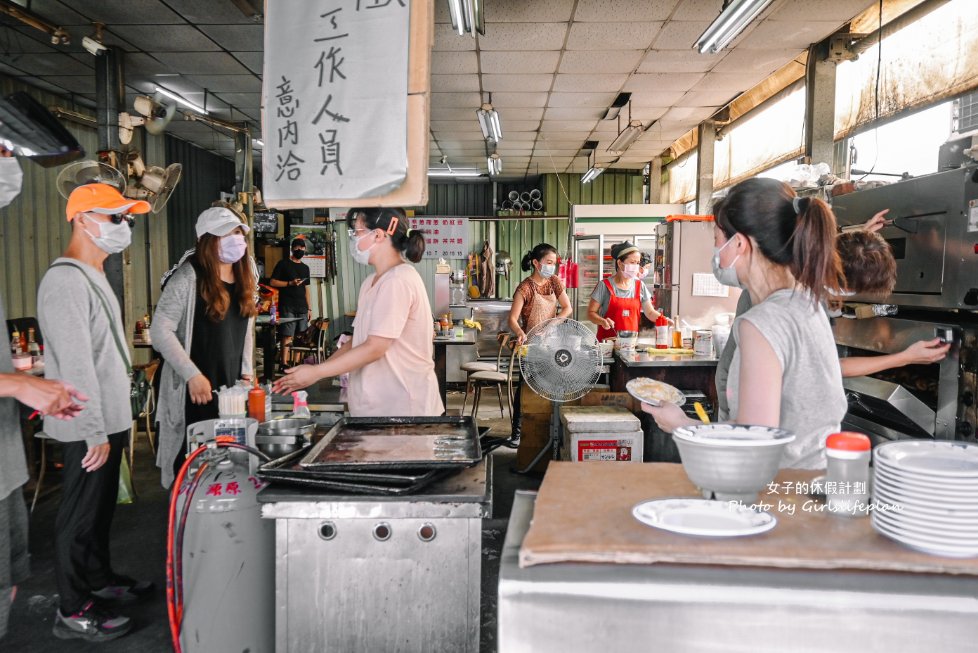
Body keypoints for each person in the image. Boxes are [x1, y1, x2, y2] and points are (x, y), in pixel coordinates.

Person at [645, 178, 848, 469]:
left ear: (739, 243)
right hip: (812, 484)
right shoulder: (808, 302)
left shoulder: (761, 322)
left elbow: (754, 441)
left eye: (717, 242)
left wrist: (680, 424)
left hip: (773, 491)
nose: (716, 255)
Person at [37, 183, 154, 641]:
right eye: (114, 218)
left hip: (110, 417)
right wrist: (93, 432)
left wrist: (113, 424)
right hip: (86, 423)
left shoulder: (92, 274)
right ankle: (72, 607)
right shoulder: (65, 280)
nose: (123, 227)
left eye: (126, 218)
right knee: (79, 514)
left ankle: (99, 578)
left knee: (101, 509)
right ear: (82, 219)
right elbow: (76, 363)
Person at [708, 211, 949, 423]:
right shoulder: (804, 304)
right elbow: (836, 367)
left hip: (746, 376)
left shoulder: (799, 263)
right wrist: (905, 357)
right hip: (747, 387)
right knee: (741, 452)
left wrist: (862, 240)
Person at [0, 148, 87, 642]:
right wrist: (20, 385)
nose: (9, 162)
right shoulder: (63, 277)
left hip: (8, 468)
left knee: (9, 586)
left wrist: (34, 385)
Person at [273, 208, 443, 417]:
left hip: (402, 406)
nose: (353, 239)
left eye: (357, 232)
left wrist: (316, 372)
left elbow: (375, 348)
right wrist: (319, 370)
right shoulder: (370, 283)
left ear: (379, 235)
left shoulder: (398, 280)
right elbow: (358, 341)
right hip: (376, 406)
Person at [151, 207, 257, 486]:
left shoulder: (246, 274)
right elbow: (160, 331)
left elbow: (246, 328)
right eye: (226, 234)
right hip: (194, 391)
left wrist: (246, 372)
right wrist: (192, 375)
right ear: (208, 240)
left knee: (227, 466)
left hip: (230, 389)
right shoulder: (188, 276)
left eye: (238, 233)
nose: (236, 240)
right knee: (191, 466)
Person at [507, 243, 573, 439]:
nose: (552, 266)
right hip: (531, 345)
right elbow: (512, 319)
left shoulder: (554, 282)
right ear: (536, 263)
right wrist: (519, 331)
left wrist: (552, 325)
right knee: (526, 387)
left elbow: (567, 308)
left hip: (552, 344)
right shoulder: (525, 288)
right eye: (548, 262)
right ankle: (517, 433)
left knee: (551, 386)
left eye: (554, 263)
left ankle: (547, 430)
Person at [587, 241, 667, 341]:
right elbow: (591, 313)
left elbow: (650, 312)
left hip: (630, 344)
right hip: (607, 345)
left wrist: (664, 320)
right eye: (632, 262)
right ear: (620, 263)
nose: (636, 266)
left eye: (638, 263)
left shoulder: (639, 285)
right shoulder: (604, 286)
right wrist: (602, 321)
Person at [269, 238, 312, 367]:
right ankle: (284, 363)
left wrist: (309, 308)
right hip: (287, 305)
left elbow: (306, 289)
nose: (299, 250)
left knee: (300, 337)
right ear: (292, 249)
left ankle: (296, 363)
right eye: (297, 248)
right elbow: (272, 282)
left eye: (302, 248)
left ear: (305, 249)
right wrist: (290, 283)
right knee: (287, 335)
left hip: (302, 307)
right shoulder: (283, 264)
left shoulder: (305, 268)